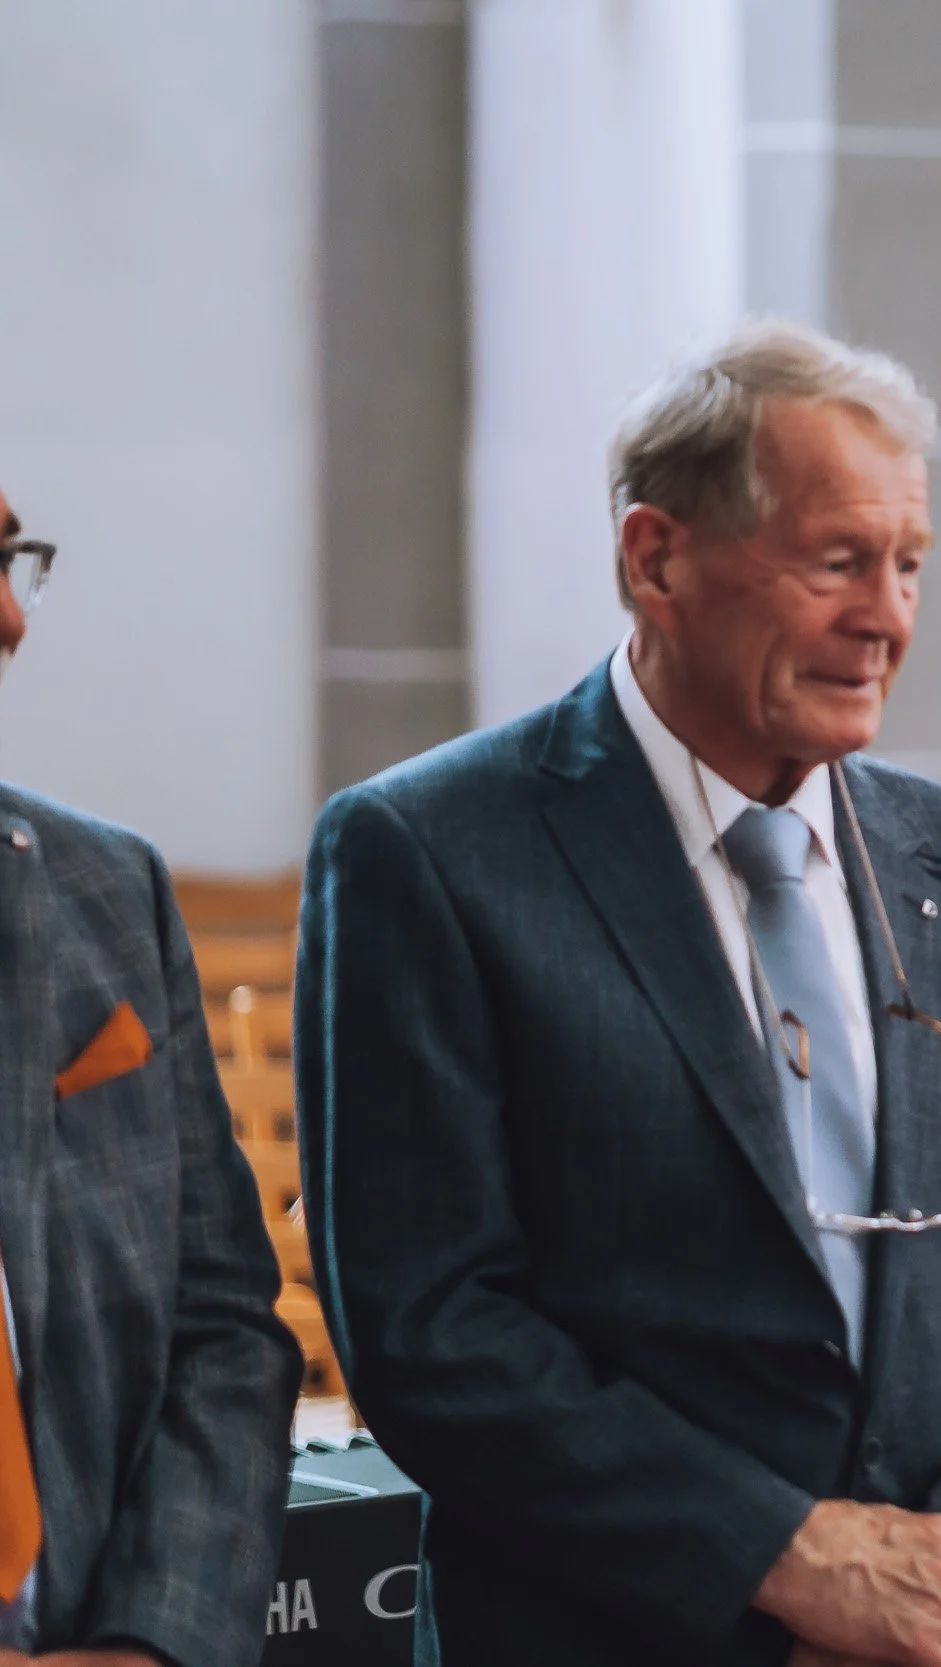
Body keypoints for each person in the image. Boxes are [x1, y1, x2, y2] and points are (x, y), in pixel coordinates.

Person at [298, 323, 941, 1667]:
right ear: (657, 559)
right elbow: (436, 1324)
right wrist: (786, 1560)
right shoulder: (430, 854)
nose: (886, 614)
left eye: (908, 564)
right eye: (837, 560)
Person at [0, 487, 301, 1667]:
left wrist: (154, 1643)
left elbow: (223, 1325)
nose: (14, 622)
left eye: (12, 559)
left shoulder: (103, 893)